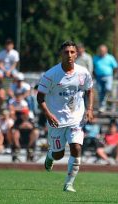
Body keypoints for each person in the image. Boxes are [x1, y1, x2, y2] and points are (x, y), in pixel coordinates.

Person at [37, 41, 94, 192]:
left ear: (76, 54)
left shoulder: (83, 72)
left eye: (72, 52)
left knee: (76, 148)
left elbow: (89, 90)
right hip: (57, 120)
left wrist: (89, 109)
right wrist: (48, 115)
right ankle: (50, 155)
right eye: (66, 52)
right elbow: (40, 97)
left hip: (76, 118)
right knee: (58, 154)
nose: (69, 55)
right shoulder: (50, 75)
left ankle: (69, 183)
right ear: (61, 54)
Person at [93, 44, 118, 112]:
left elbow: (115, 67)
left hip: (108, 76)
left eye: (103, 51)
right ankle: (102, 106)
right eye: (101, 51)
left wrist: (114, 75)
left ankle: (107, 100)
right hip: (98, 77)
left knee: (108, 89)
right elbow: (93, 67)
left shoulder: (110, 57)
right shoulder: (95, 58)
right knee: (100, 92)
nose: (102, 52)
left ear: (106, 51)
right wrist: (94, 75)